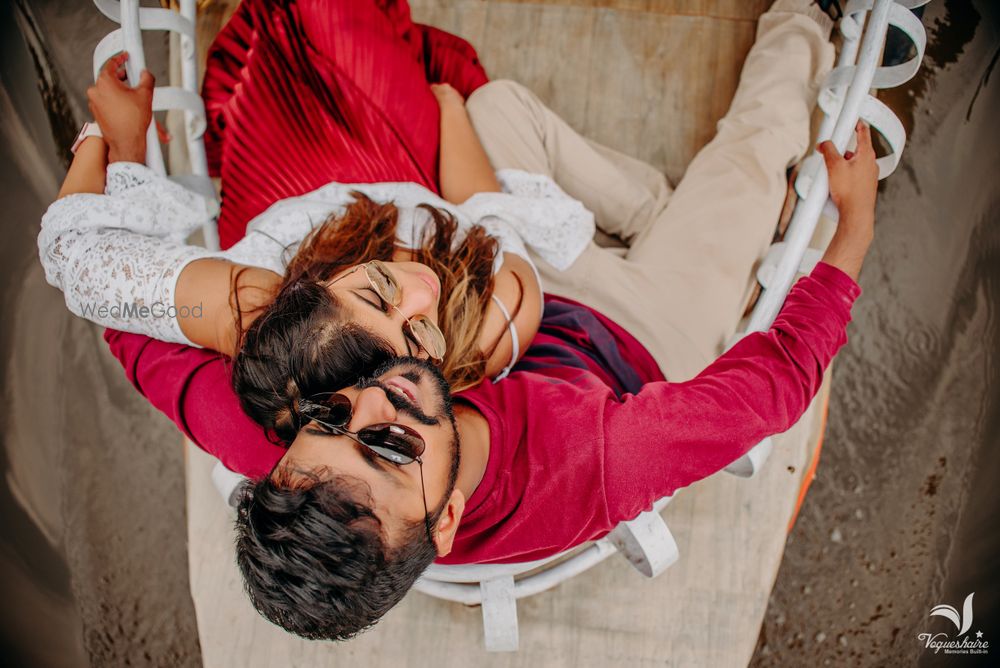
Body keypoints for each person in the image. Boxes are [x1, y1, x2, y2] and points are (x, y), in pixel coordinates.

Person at [99, 0, 871, 640]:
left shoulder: (279, 438)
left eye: (331, 417)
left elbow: (126, 324)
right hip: (638, 334)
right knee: (749, 158)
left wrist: (127, 144)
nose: (375, 396)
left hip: (521, 273)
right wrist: (853, 230)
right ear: (445, 527)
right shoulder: (593, 462)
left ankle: (658, 213)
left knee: (496, 110)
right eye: (390, 445)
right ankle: (804, 19)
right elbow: (769, 392)